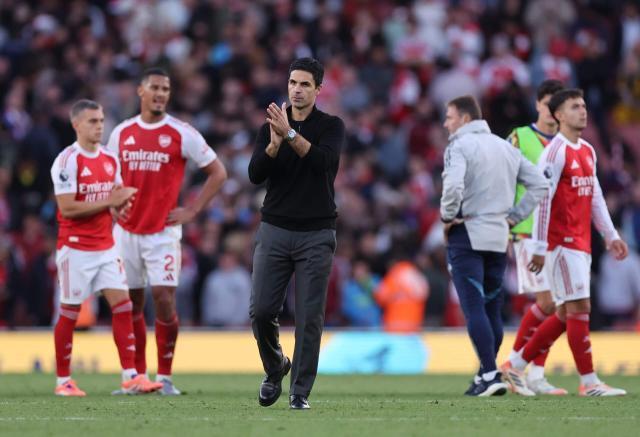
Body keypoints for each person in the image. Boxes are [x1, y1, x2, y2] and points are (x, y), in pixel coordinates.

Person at [106, 68, 227, 395]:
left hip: (162, 232)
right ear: (141, 91)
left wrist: (193, 209)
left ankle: (166, 377)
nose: (161, 94)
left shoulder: (181, 132)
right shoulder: (121, 132)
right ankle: (136, 376)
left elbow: (218, 172)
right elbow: (109, 175)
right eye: (155, 88)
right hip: (126, 232)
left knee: (163, 297)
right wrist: (113, 205)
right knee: (130, 303)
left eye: (166, 89)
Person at [501, 89, 629, 397]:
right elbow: (543, 202)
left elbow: (595, 196)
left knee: (563, 313)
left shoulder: (587, 150)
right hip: (562, 243)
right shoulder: (554, 153)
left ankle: (515, 365)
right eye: (574, 107)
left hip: (581, 242)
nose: (582, 111)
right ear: (559, 115)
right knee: (578, 308)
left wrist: (610, 235)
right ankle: (589, 382)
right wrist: (539, 247)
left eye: (583, 106)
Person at [248, 57, 345, 410]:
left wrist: (288, 134)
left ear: (318, 89)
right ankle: (276, 367)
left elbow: (323, 164)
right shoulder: (270, 127)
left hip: (316, 233)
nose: (297, 90)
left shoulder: (331, 126)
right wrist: (274, 144)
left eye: (305, 84)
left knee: (308, 318)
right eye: (293, 83)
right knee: (261, 311)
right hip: (275, 228)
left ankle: (299, 392)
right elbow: (255, 175)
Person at [50, 99, 162, 396]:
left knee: (123, 306)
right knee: (70, 312)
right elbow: (67, 207)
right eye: (92, 121)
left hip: (106, 246)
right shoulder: (67, 161)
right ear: (76, 125)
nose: (99, 126)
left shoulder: (110, 160)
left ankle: (131, 376)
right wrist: (109, 202)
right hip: (75, 248)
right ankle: (63, 381)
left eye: (101, 120)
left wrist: (119, 208)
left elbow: (112, 203)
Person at [440, 95, 548, 397]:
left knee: (474, 307)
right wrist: (513, 217)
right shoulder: (505, 147)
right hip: (500, 236)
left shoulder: (459, 146)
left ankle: (489, 374)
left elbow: (453, 186)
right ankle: (484, 373)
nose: (445, 123)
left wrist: (447, 215)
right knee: (491, 309)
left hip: (467, 231)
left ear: (464, 119)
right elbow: (540, 183)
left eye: (449, 117)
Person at [506, 79, 569, 395]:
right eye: (547, 104)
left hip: (559, 233)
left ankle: (534, 373)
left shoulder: (565, 143)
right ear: (537, 105)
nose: (552, 111)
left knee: (559, 306)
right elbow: (503, 177)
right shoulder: (519, 137)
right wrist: (505, 222)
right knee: (548, 302)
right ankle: (515, 365)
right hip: (528, 230)